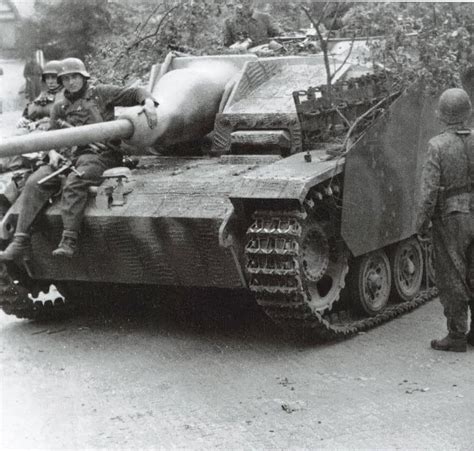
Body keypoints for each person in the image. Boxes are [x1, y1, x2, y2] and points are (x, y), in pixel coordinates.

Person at [0, 57, 158, 260]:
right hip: (67, 158)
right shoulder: (59, 107)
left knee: (76, 180)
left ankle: (69, 239)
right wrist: (52, 152)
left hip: (100, 156)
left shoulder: (100, 94)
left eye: (74, 77)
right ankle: (20, 241)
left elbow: (136, 93)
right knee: (35, 182)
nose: (70, 82)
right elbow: (50, 138)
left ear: (84, 77)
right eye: (65, 79)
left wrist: (149, 104)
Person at [416, 87, 474, 352]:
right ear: (467, 113)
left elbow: (429, 191)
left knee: (452, 275)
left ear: (443, 116)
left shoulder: (437, 146)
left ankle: (457, 334)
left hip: (451, 219)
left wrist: (421, 222)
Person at [17, 59, 64, 132]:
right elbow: (31, 109)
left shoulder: (68, 95)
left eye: (54, 77)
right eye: (47, 78)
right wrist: (24, 119)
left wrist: (39, 122)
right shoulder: (44, 94)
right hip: (38, 129)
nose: (50, 81)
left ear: (61, 78)